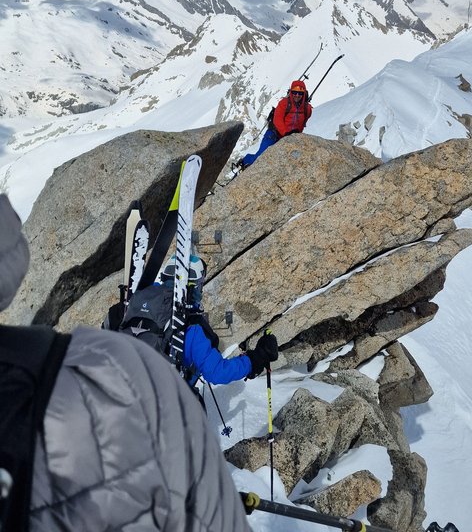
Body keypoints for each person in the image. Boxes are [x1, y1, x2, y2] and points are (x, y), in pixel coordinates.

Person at [0, 193, 251, 532]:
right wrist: (256, 358)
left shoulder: (135, 308)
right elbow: (219, 373)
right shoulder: (188, 328)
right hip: (159, 409)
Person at [120, 251, 278, 385]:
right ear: (193, 286)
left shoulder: (129, 309)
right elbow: (217, 373)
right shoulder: (190, 325)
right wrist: (254, 359)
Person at [237, 79, 313, 169]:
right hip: (274, 134)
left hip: (289, 138)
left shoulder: (307, 109)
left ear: (304, 94)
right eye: (294, 92)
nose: (297, 95)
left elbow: (302, 124)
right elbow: (277, 120)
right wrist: (286, 133)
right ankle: (245, 161)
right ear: (291, 92)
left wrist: (295, 136)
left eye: (300, 93)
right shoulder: (284, 103)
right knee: (261, 156)